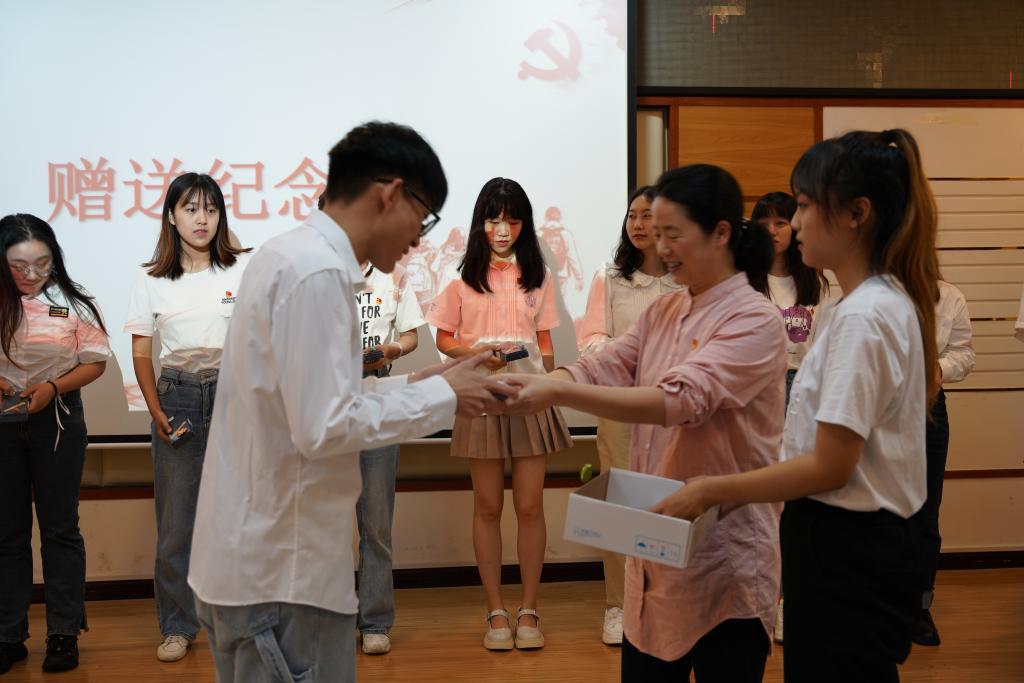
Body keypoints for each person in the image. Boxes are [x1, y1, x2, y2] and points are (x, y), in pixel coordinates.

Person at [187, 122, 508, 683]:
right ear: (390, 194)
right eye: (424, 217)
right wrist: (443, 395)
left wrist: (427, 381)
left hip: (258, 565)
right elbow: (324, 425)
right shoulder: (317, 272)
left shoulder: (288, 253)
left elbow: (312, 399)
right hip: (284, 577)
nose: (418, 240)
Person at [651, 129, 940, 683]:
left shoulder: (865, 316)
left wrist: (715, 490)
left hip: (848, 545)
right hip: (848, 541)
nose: (795, 223)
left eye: (804, 206)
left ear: (856, 214)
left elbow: (830, 465)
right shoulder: (863, 304)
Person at [502, 164, 784, 681]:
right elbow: (606, 363)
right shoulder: (665, 311)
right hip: (655, 551)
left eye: (674, 233)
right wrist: (546, 380)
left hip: (724, 556)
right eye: (657, 233)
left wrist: (557, 391)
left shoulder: (754, 318)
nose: (662, 246)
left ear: (721, 232)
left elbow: (681, 398)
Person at [426, 177, 573, 651]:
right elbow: (442, 337)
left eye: (512, 220)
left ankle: (529, 609)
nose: (503, 230)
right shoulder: (461, 278)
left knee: (530, 506)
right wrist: (473, 354)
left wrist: (548, 381)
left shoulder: (537, 276)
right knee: (487, 506)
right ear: (480, 223)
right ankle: (495, 610)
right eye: (493, 220)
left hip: (529, 396)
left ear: (524, 224)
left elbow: (545, 341)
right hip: (480, 399)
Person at [123, 173, 252, 663]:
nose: (202, 219)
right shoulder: (150, 278)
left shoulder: (243, 266)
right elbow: (141, 353)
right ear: (172, 216)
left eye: (211, 210)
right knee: (177, 524)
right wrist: (155, 409)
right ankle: (178, 626)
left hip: (234, 392)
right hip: (176, 396)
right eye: (192, 209)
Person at [0, 214, 112, 675]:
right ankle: (8, 635)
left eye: (41, 264)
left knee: (60, 529)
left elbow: (95, 363)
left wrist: (53, 387)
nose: (31, 274)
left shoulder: (74, 301)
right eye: (18, 266)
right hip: (3, 420)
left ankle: (63, 634)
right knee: (7, 534)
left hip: (59, 418)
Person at [575, 184, 680, 645]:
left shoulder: (685, 277)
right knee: (621, 502)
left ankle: (667, 598)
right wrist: (636, 355)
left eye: (647, 215)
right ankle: (618, 604)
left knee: (672, 500)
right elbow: (590, 340)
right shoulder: (611, 276)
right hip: (619, 402)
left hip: (673, 404)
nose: (637, 224)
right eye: (632, 215)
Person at [352, 260, 425, 655]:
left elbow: (411, 335)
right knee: (322, 522)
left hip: (378, 391)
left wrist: (390, 349)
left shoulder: (391, 275)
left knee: (376, 519)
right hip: (325, 391)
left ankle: (375, 621)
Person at [911, 279, 974, 646]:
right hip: (881, 410)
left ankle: (919, 607)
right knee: (879, 511)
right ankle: (879, 602)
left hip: (931, 410)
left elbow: (964, 354)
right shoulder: (873, 290)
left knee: (926, 515)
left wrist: (940, 367)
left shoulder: (950, 296)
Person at [752, 191, 833, 404]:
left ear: (795, 226)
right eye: (763, 224)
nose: (771, 231)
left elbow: (822, 343)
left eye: (780, 223)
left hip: (803, 382)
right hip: (758, 383)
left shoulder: (815, 283)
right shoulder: (745, 280)